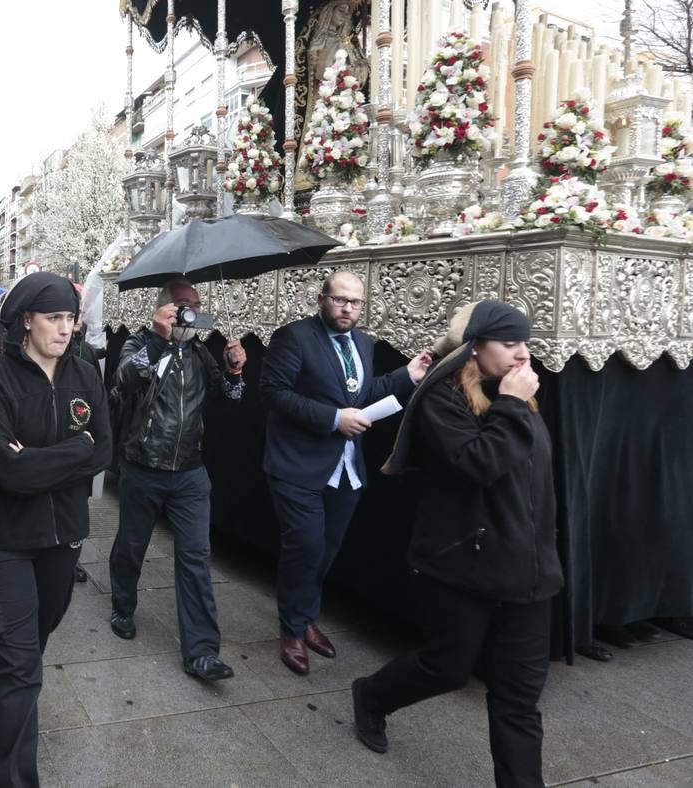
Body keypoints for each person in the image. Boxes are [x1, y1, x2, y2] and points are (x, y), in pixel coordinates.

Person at [351, 301, 562, 788]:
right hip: (461, 567)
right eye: (510, 345)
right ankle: (372, 696)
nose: (522, 355)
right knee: (446, 669)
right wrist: (510, 404)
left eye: (525, 344)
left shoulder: (518, 395)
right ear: (475, 348)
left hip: (529, 574)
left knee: (518, 702)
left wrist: (545, 553)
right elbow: (479, 464)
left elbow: (536, 484)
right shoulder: (442, 400)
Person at [0, 273, 111, 788]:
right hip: (5, 542)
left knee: (30, 652)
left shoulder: (86, 372)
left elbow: (104, 451)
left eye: (71, 318)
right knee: (17, 669)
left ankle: (18, 710)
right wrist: (75, 451)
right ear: (26, 320)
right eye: (54, 318)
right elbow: (11, 473)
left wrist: (46, 460)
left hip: (62, 540)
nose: (65, 328)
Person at [258, 270, 431, 675]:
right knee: (305, 547)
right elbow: (275, 393)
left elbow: (363, 392)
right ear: (322, 299)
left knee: (327, 550)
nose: (348, 308)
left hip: (345, 469)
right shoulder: (294, 337)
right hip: (296, 465)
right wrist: (333, 418)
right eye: (340, 300)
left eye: (355, 302)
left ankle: (305, 616)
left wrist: (408, 376)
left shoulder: (363, 343)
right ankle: (291, 629)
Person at [108, 280, 246, 681]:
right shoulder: (139, 345)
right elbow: (124, 382)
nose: (191, 312)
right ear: (163, 308)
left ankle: (202, 652)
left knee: (196, 559)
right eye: (184, 305)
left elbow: (229, 398)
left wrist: (235, 371)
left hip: (189, 473)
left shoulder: (201, 353)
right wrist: (158, 339)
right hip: (143, 466)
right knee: (132, 547)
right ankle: (122, 605)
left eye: (196, 306)